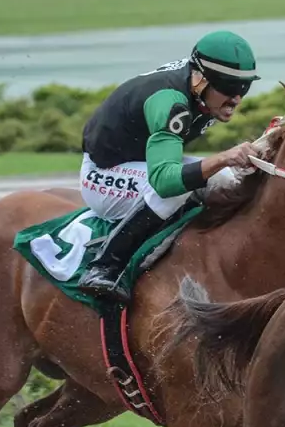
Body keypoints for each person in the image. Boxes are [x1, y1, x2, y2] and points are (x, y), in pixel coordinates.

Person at [76, 30, 262, 303]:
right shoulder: (172, 103)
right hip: (104, 176)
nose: (236, 99)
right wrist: (224, 156)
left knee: (228, 178)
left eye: (243, 87)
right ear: (199, 78)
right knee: (178, 190)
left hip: (139, 162)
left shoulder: (197, 84)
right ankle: (104, 267)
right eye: (228, 87)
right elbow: (165, 181)